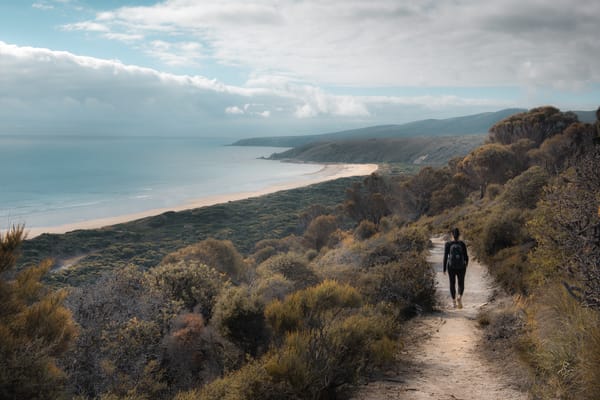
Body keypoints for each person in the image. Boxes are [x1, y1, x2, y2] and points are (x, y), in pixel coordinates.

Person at [443, 228, 468, 308]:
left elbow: (445, 257)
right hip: (461, 266)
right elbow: (466, 256)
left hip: (451, 266)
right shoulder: (462, 244)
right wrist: (466, 264)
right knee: (461, 283)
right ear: (459, 235)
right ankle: (459, 297)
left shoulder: (448, 244)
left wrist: (444, 268)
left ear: (451, 235)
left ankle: (454, 302)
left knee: (452, 283)